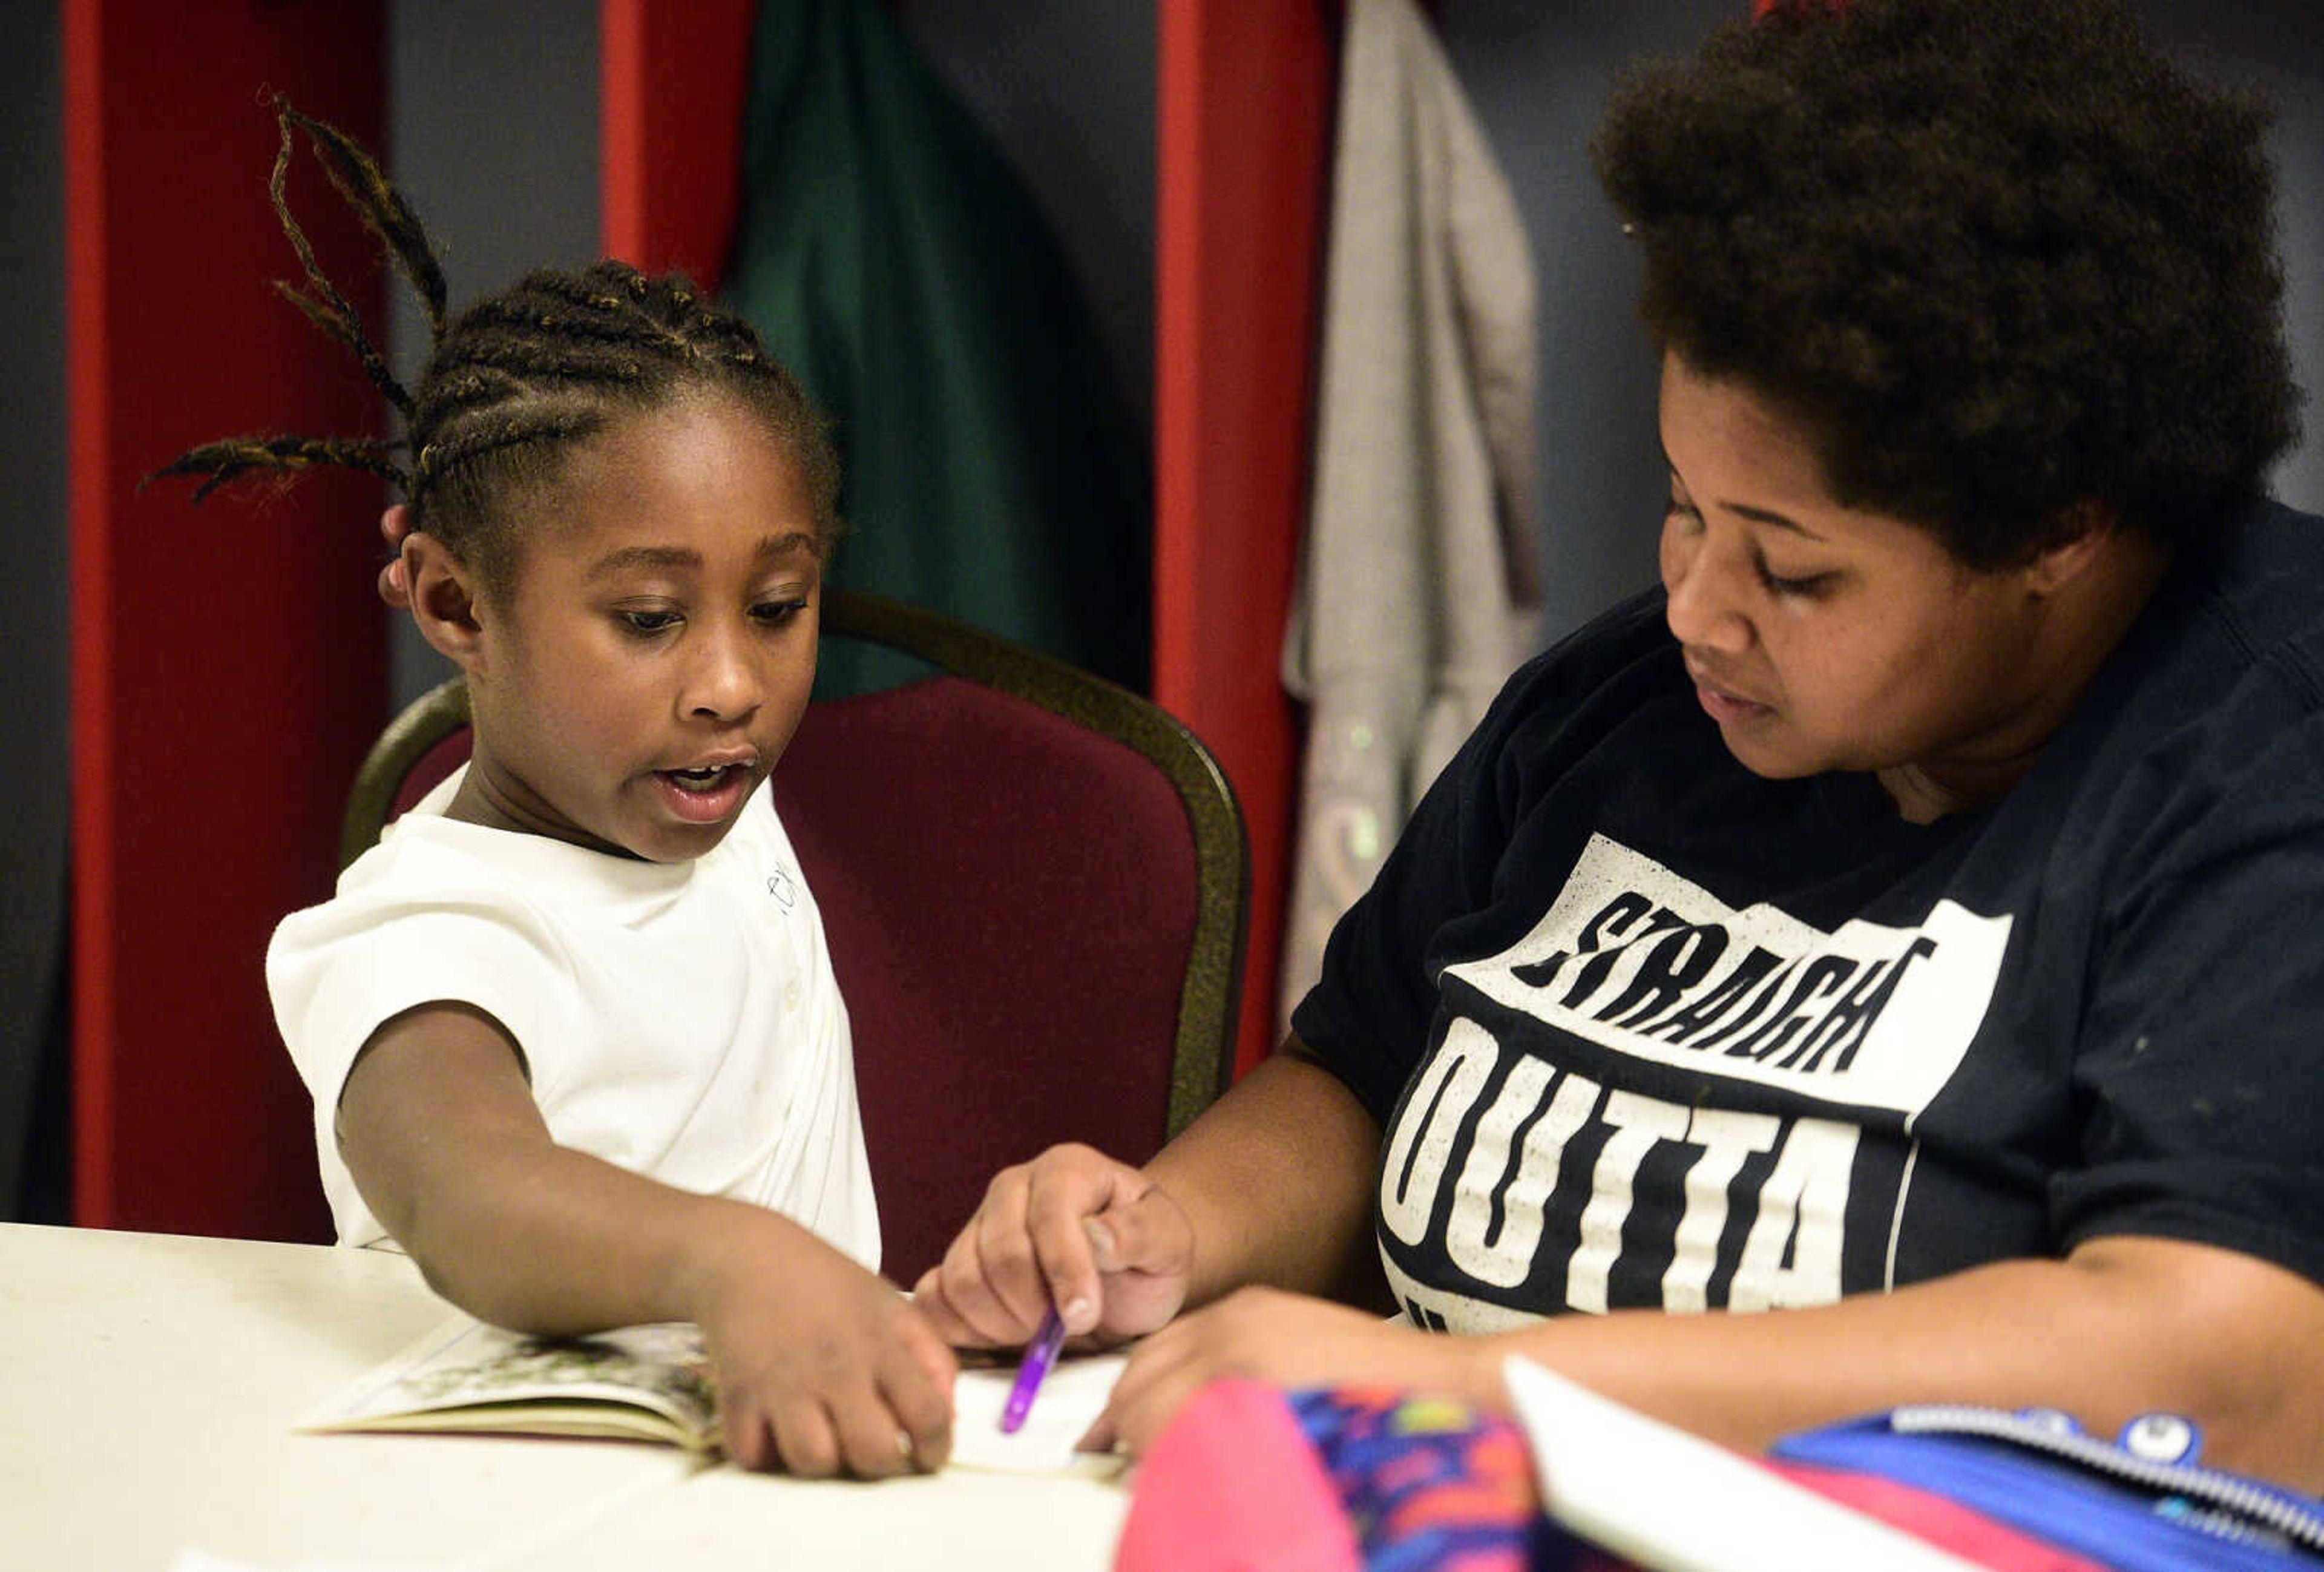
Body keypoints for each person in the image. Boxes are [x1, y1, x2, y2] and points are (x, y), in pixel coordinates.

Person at [914, 0, 2324, 1489]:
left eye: (1793, 570)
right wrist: (1167, 1236)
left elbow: (2230, 1363)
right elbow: (1363, 1071)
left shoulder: (2264, 762)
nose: (1696, 610)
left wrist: (1486, 1390)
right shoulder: (1639, 703)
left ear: (2058, 530)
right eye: (1682, 504)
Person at [156, 102, 954, 1479]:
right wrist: (736, 1262)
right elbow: (472, 1196)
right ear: (455, 602)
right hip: (521, 1513)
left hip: (787, 1479)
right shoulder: (421, 938)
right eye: (648, 620)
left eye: (777, 603)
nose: (730, 682)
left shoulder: (695, 787)